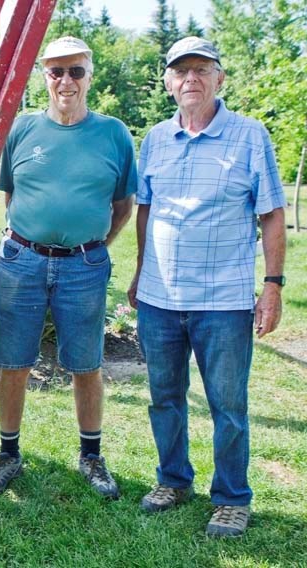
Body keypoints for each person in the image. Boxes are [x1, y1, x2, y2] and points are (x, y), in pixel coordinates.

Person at [128, 36, 286, 538]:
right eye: (182, 71)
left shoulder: (248, 135)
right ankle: (173, 480)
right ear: (170, 82)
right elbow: (146, 209)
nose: (191, 78)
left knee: (228, 405)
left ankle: (232, 498)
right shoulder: (154, 139)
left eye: (202, 69)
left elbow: (272, 213)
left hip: (224, 300)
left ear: (219, 78)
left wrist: (274, 286)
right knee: (164, 396)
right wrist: (138, 270)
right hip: (159, 297)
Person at [0, 37, 136, 498]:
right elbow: (12, 195)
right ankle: (8, 453)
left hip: (83, 266)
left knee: (86, 365)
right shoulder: (22, 130)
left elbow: (123, 205)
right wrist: (39, 238)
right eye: (55, 71)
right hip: (21, 261)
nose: (65, 80)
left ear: (90, 74)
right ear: (44, 77)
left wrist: (90, 246)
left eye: (75, 71)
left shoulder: (113, 133)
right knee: (14, 361)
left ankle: (91, 456)